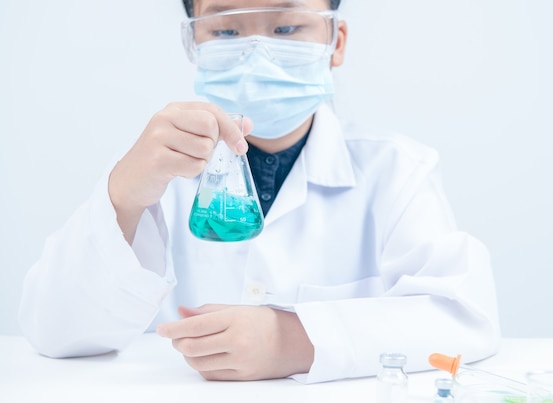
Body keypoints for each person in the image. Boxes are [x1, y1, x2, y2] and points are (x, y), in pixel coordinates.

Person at [19, 0, 501, 384]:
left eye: (287, 28)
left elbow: (464, 316)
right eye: (226, 31)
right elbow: (56, 333)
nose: (256, 53)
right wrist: (122, 198)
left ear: (336, 41)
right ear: (193, 42)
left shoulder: (396, 170)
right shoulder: (152, 171)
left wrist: (296, 340)